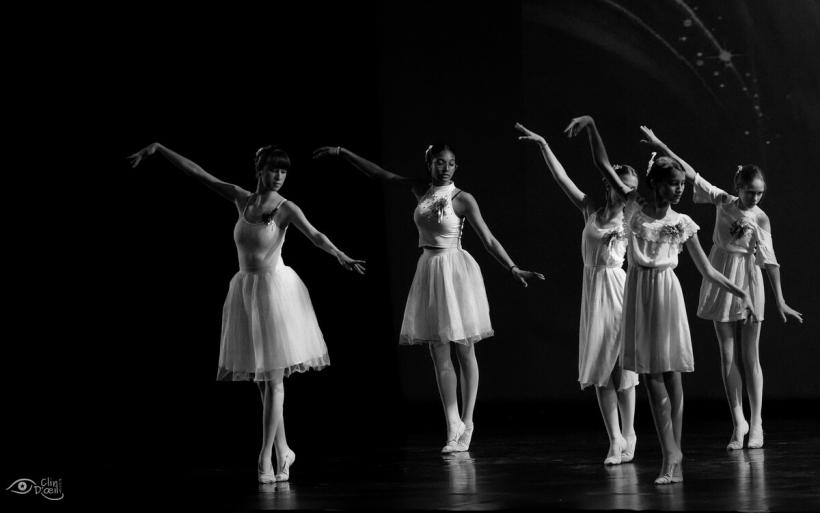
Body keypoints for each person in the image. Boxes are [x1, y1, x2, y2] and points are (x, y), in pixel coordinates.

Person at [128, 143, 366, 483]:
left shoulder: (285, 208)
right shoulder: (243, 199)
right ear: (259, 169)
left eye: (283, 171)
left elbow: (314, 235)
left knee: (274, 379)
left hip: (277, 294)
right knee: (262, 380)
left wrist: (340, 254)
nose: (279, 176)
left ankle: (265, 457)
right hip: (247, 293)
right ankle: (284, 450)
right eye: (273, 169)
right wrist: (159, 150)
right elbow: (199, 174)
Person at [312, 143, 544, 453]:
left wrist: (513, 268)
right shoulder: (419, 189)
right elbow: (381, 174)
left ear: (456, 167)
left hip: (456, 271)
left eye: (450, 163)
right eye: (439, 162)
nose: (444, 168)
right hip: (430, 269)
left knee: (464, 349)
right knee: (438, 351)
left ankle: (468, 420)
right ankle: (452, 424)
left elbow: (488, 239)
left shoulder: (463, 199)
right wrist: (343, 153)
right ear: (429, 164)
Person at [565, 116, 756, 484]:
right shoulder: (633, 208)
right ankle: (669, 453)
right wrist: (591, 126)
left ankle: (674, 454)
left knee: (673, 375)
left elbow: (709, 271)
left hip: (667, 294)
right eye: (673, 184)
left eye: (682, 184)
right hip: (639, 291)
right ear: (655, 184)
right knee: (651, 377)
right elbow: (603, 165)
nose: (680, 190)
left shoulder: (683, 222)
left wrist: (740, 291)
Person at [638, 127, 803, 450]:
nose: (755, 198)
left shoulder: (762, 218)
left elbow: (770, 260)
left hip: (749, 277)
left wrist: (780, 300)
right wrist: (660, 145)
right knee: (726, 355)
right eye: (750, 192)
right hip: (720, 272)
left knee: (749, 356)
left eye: (760, 193)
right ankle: (737, 421)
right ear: (738, 187)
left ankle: (757, 424)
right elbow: (690, 173)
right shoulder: (723, 200)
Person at [516, 122, 638, 465]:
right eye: (619, 184)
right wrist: (543, 144)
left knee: (623, 368)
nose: (623, 190)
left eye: (628, 187)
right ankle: (614, 439)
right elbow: (561, 179)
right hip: (594, 291)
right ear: (609, 185)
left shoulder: (631, 215)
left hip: (618, 287)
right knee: (600, 365)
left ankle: (629, 433)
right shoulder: (590, 209)